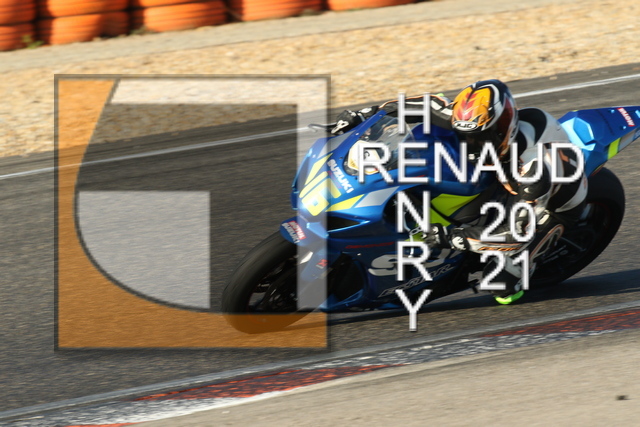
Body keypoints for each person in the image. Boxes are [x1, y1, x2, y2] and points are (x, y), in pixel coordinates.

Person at [330, 79, 588, 304]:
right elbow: (400, 107)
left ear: (502, 129)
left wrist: (452, 237)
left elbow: (516, 234)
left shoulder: (533, 167)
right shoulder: (464, 118)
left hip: (552, 202)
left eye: (480, 138)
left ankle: (524, 267)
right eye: (466, 136)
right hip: (504, 173)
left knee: (501, 285)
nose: (471, 144)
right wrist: (360, 117)